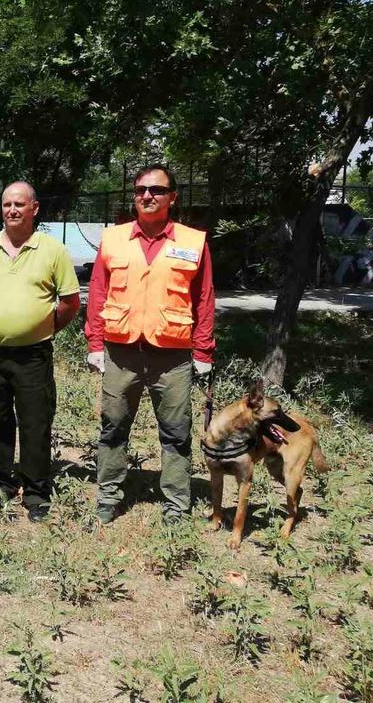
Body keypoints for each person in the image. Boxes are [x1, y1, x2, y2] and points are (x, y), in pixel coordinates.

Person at [85, 163, 216, 525]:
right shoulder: (113, 239)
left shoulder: (192, 241)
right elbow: (97, 292)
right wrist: (95, 342)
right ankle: (108, 496)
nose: (147, 195)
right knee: (113, 427)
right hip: (121, 350)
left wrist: (204, 351)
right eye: (141, 189)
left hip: (172, 356)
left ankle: (176, 504)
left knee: (176, 432)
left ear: (172, 197)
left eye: (156, 190)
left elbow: (204, 297)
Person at [0, 181, 81, 521]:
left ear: (34, 208)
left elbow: (70, 303)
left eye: (19, 204)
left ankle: (36, 492)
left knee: (35, 423)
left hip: (34, 356)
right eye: (6, 204)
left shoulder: (53, 251)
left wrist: (40, 328)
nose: (12, 210)